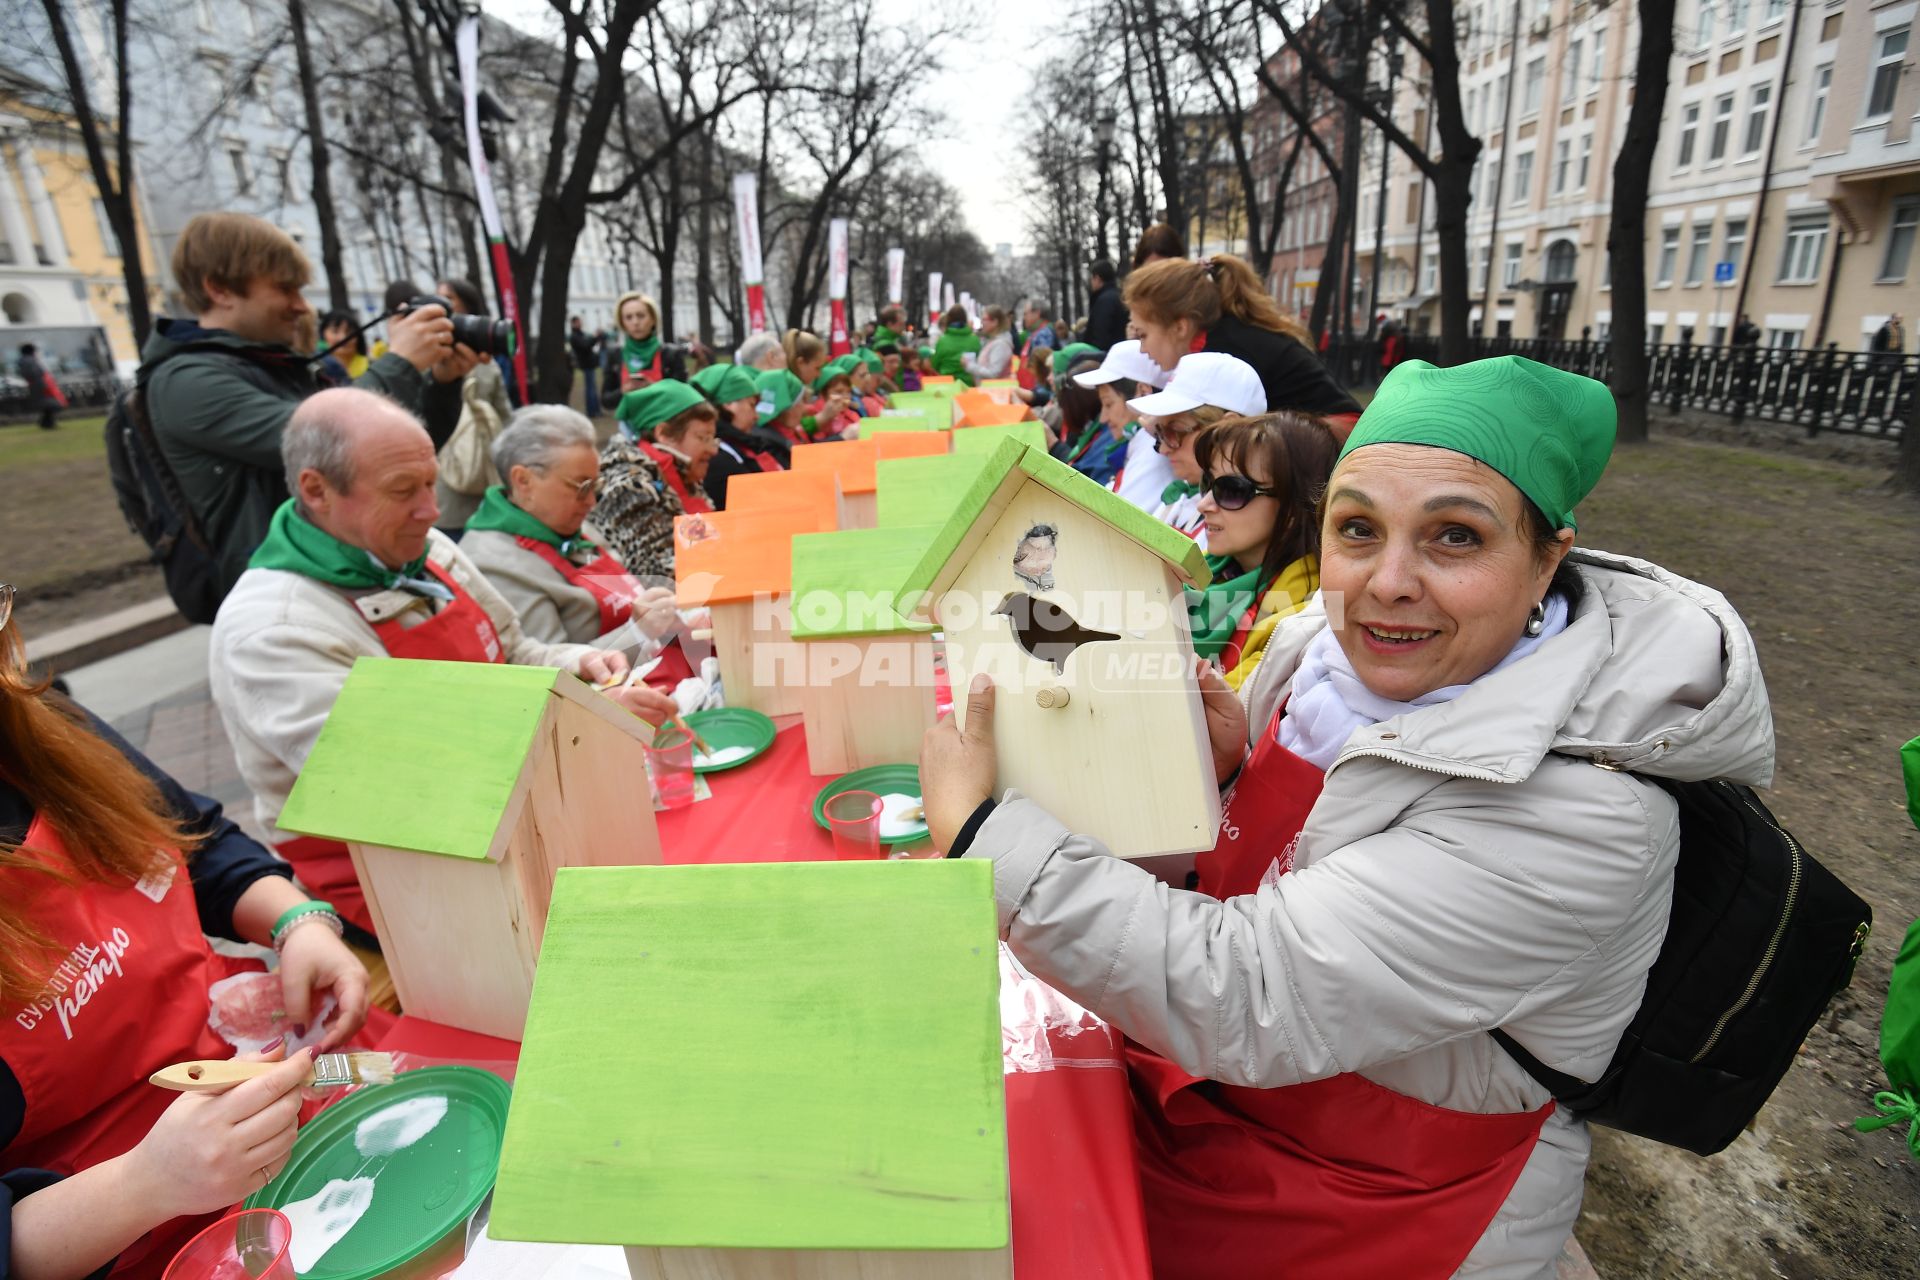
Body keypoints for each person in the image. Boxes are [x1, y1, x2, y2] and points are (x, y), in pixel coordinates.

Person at [921, 354, 1773, 1280]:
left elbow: (1247, 991)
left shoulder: (1583, 815)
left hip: (1379, 1194)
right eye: (1358, 528)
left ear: (1547, 561)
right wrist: (1216, 784)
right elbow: (1274, 870)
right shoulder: (1319, 657)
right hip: (1235, 1105)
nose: (1388, 582)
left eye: (1454, 537)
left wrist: (983, 837)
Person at [0, 582, 374, 1278]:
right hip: (135, 1234)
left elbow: (196, 839)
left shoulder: (36, 724)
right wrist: (144, 1183)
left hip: (278, 1069)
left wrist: (297, 921)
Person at [209, 389, 669, 937]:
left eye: (431, 482)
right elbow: (406, 781)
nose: (432, 512)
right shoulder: (273, 629)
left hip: (510, 814)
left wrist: (580, 663)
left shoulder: (426, 549)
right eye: (404, 491)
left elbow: (514, 652)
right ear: (317, 489)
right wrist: (577, 723)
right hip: (400, 879)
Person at [142, 213, 471, 602]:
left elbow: (394, 454)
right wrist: (401, 361)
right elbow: (333, 440)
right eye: (285, 289)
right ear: (219, 290)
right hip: (284, 599)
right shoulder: (187, 382)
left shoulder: (281, 365)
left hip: (344, 578)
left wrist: (442, 384)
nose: (301, 306)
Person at [459, 407, 682, 649]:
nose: (591, 502)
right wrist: (639, 632)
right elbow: (549, 675)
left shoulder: (568, 526)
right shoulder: (493, 564)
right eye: (582, 486)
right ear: (523, 481)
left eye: (595, 486)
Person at [1185, 412, 1337, 689]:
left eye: (1231, 490)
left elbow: (1212, 709)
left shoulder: (1305, 616)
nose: (1204, 504)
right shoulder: (1196, 571)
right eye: (1208, 484)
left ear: (1293, 508)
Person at [1124, 254, 1362, 431]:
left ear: (1180, 327)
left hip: (1339, 442)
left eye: (1143, 335)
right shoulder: (1223, 340)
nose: (1142, 349)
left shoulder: (1227, 355)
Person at [1132, 354, 1268, 548]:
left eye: (1174, 431)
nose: (1162, 449)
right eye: (1160, 433)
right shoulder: (1181, 498)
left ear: (1227, 430)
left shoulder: (1239, 522)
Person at [595, 381, 721, 580]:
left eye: (713, 438)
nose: (713, 450)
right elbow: (655, 574)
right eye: (702, 437)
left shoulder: (680, 474)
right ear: (663, 434)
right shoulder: (629, 487)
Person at [430, 277, 517, 534]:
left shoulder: (486, 364)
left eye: (447, 300)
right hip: (446, 480)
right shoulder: (428, 361)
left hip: (484, 474)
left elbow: (506, 418)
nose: (439, 307)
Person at [1072, 339, 1172, 512]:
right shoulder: (1142, 446)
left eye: (1109, 404)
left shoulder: (1152, 455)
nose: (1103, 418)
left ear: (1143, 392)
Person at [691, 363, 786, 507]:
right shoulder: (718, 458)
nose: (756, 416)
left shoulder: (742, 446)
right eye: (752, 405)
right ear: (729, 403)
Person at [613, 292, 687, 392]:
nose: (635, 322)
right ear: (622, 323)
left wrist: (652, 387)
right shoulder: (615, 354)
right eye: (628, 317)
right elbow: (606, 400)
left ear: (653, 319)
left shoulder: (670, 353)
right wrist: (623, 391)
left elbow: (683, 394)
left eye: (641, 316)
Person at [962, 305, 1016, 383]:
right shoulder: (993, 341)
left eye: (984, 319)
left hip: (995, 392)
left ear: (995, 322)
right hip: (989, 391)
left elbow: (993, 373)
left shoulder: (1001, 345)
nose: (981, 322)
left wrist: (969, 366)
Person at [1084, 259, 1130, 350]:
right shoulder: (1121, 296)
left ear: (1097, 278)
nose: (1091, 283)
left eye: (1092, 278)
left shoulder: (1104, 301)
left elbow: (1101, 334)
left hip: (1108, 356)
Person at [14, 345, 62, 432]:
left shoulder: (23, 361)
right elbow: (36, 373)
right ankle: (46, 423)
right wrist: (44, 384)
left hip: (36, 385)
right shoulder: (29, 361)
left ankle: (46, 423)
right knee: (51, 404)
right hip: (40, 385)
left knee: (47, 405)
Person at [932, 306, 981, 384]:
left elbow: (935, 365)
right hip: (969, 384)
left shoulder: (942, 341)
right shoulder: (975, 340)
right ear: (965, 319)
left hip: (948, 385)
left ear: (949, 320)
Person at [569, 315, 603, 418]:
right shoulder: (575, 336)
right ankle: (592, 411)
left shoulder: (580, 334)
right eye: (578, 322)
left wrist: (595, 338)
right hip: (586, 364)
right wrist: (594, 337)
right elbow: (585, 345)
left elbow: (589, 343)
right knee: (590, 389)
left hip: (589, 364)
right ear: (574, 323)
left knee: (593, 388)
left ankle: (596, 410)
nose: (580, 324)